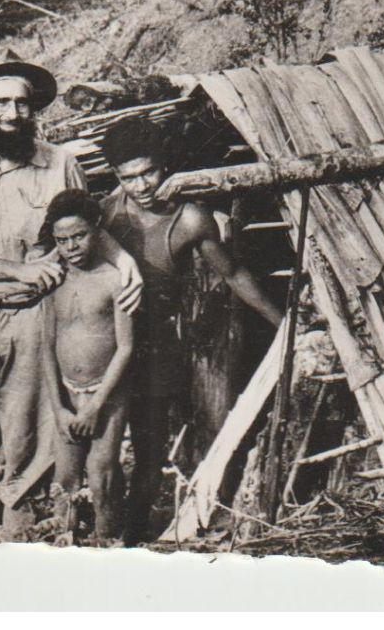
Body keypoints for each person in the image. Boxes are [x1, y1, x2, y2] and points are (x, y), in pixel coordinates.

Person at [0, 48, 141, 536]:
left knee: (27, 430)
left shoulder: (59, 163)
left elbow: (89, 225)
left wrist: (126, 264)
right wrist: (15, 271)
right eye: (0, 103)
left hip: (34, 316)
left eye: (21, 104)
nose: (11, 114)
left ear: (34, 109)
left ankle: (24, 527)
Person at [98, 117, 282, 544]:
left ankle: (142, 534)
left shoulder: (191, 219)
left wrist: (282, 322)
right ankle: (100, 534)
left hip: (157, 342)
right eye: (130, 177)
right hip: (105, 337)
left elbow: (233, 273)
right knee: (102, 445)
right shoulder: (107, 214)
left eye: (149, 172)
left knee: (152, 446)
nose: (142, 185)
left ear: (165, 166)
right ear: (116, 177)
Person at [37, 190, 135, 544]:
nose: (71, 246)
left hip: (106, 393)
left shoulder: (114, 278)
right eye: (62, 240)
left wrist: (96, 405)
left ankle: (108, 542)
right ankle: (67, 544)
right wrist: (59, 407)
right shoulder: (53, 280)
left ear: (96, 229)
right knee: (66, 476)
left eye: (79, 236)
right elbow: (46, 346)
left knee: (101, 471)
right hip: (67, 390)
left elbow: (126, 347)